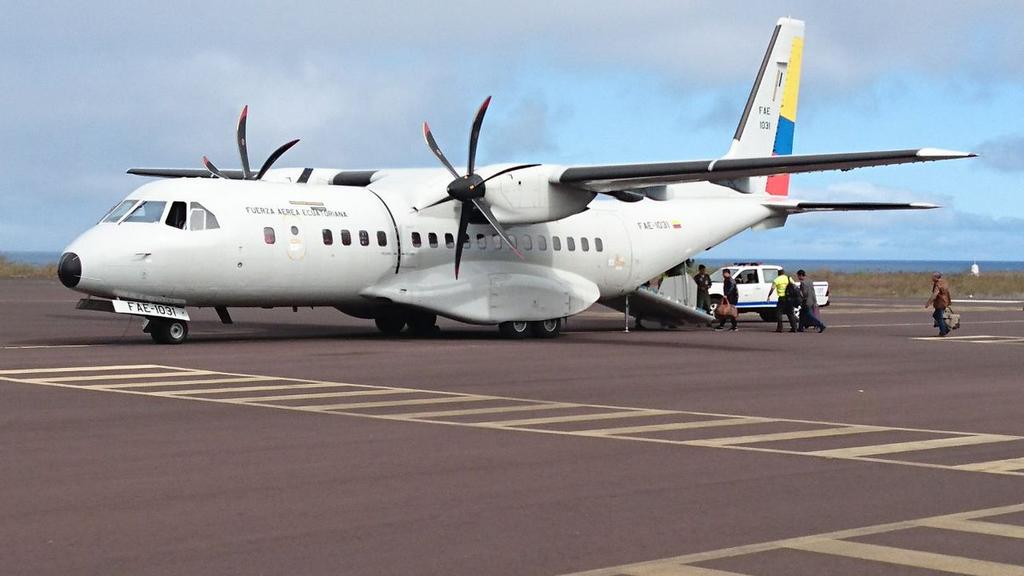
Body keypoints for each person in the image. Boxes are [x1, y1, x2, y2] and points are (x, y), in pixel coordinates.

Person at [767, 267, 798, 332]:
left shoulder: (776, 280)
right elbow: (795, 286)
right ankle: (794, 328)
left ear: (778, 274)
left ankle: (780, 328)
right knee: (790, 313)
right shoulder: (788, 278)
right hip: (789, 298)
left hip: (782, 298)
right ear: (784, 273)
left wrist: (769, 295)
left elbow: (772, 289)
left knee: (779, 313)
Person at [926, 271, 952, 337]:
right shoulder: (944, 282)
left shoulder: (938, 284)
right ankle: (945, 328)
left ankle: (944, 331)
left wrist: (929, 302)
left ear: (936, 277)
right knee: (936, 315)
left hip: (941, 303)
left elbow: (935, 294)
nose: (932, 278)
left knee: (939, 317)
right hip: (944, 301)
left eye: (933, 276)